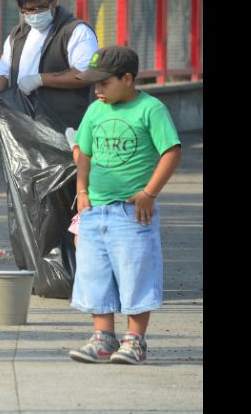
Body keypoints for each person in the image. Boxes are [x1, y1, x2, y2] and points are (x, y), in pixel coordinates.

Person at [68, 46, 182, 364]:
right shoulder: (94, 111)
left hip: (131, 213)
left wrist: (149, 193)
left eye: (104, 83)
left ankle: (135, 340)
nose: (97, 90)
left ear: (127, 79)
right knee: (94, 274)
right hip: (94, 211)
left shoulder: (151, 109)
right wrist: (82, 192)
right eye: (94, 84)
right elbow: (84, 153)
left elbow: (171, 151)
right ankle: (103, 338)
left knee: (135, 273)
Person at [0, 0, 99, 130]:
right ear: (20, 7)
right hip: (24, 128)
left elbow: (86, 75)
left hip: (65, 130)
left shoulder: (75, 32)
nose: (34, 14)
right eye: (28, 10)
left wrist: (41, 79)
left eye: (40, 8)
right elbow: (4, 75)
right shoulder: (16, 37)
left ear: (53, 1)